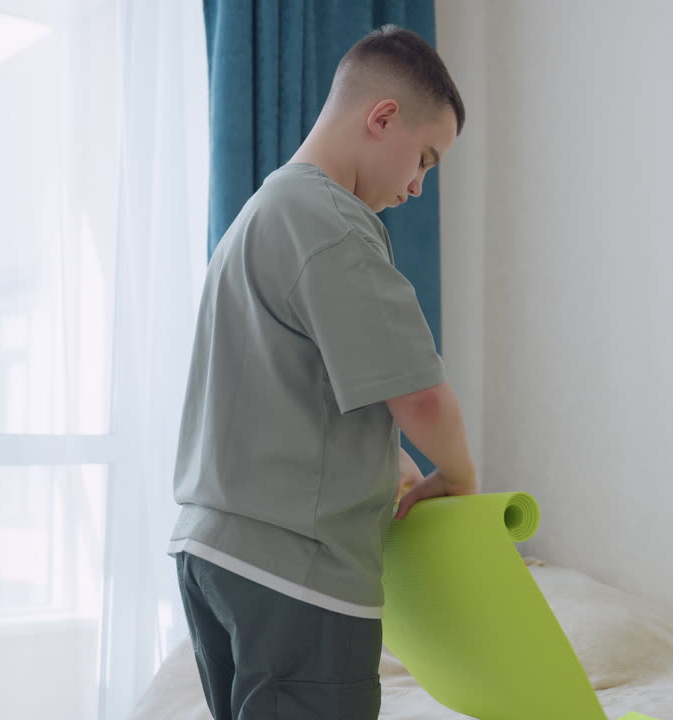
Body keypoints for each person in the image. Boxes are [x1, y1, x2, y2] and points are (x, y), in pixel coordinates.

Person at [168, 25, 475, 720]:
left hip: (213, 549)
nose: (418, 187)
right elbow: (423, 396)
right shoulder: (333, 222)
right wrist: (457, 479)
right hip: (294, 572)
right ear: (383, 118)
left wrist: (380, 459)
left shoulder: (261, 214)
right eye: (423, 158)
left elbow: (288, 389)